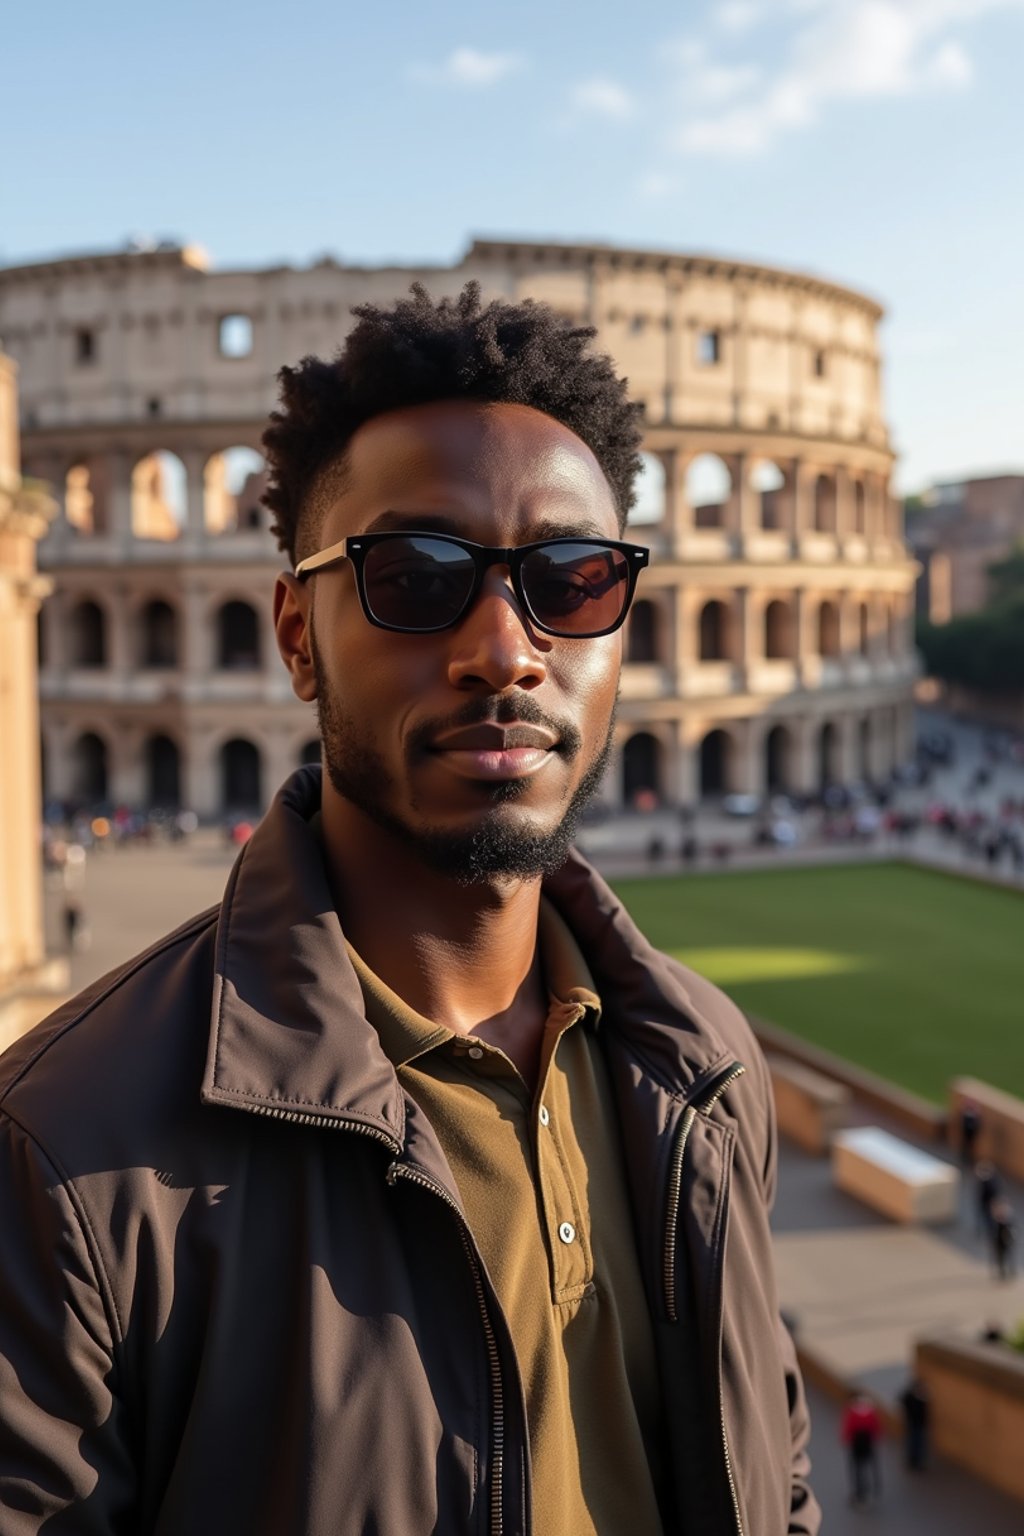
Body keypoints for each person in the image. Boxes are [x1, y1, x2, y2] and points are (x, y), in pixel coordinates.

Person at [0, 286, 819, 1535]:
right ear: (297, 634)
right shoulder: (58, 1154)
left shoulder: (706, 1068)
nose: (505, 646)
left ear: (619, 632)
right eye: (417, 576)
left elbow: (775, 1483)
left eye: (572, 579)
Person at [840, 1390, 883, 1506]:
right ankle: (874, 1488)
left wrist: (845, 1439)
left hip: (856, 1444)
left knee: (857, 1469)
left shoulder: (852, 1412)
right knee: (871, 1466)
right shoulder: (870, 1410)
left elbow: (848, 1427)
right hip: (868, 1442)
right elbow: (876, 1426)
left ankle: (859, 1493)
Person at [898, 1376, 929, 1470]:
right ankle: (914, 1462)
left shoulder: (918, 1397)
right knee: (915, 1443)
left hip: (917, 1423)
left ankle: (916, 1462)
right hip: (913, 1423)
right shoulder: (911, 1397)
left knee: (917, 1443)